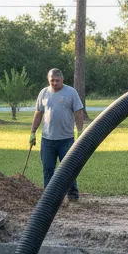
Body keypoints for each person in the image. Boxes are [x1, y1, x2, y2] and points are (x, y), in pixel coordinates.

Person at [29, 68, 87, 201]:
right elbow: (38, 113)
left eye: (57, 80)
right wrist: (32, 132)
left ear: (62, 79)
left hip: (66, 140)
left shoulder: (71, 92)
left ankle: (72, 195)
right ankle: (49, 198)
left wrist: (80, 130)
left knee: (68, 169)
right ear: (48, 80)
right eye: (52, 80)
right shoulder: (43, 93)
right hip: (47, 140)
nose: (54, 83)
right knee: (48, 169)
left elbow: (78, 112)